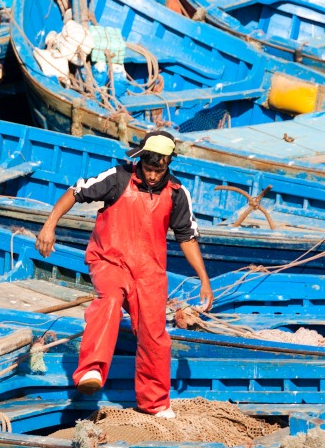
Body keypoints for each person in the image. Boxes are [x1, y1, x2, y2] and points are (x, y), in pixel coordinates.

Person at [35, 131, 213, 419]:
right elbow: (75, 192)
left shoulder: (178, 193)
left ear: (168, 165)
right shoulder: (117, 178)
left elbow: (187, 237)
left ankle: (153, 402)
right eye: (148, 168)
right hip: (109, 261)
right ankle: (91, 369)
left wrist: (204, 279)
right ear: (140, 160)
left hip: (150, 272)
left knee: (154, 335)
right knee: (109, 301)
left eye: (159, 170)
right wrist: (49, 225)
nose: (153, 175)